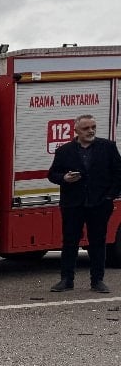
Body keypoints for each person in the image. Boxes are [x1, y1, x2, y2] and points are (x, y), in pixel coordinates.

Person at [47, 114, 121, 293]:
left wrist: (110, 196)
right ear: (76, 131)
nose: (91, 131)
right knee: (70, 242)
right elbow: (52, 174)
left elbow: (118, 173)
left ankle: (97, 281)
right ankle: (66, 280)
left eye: (93, 127)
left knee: (98, 242)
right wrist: (64, 178)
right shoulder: (64, 151)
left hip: (99, 204)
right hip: (73, 204)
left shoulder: (108, 147)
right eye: (86, 128)